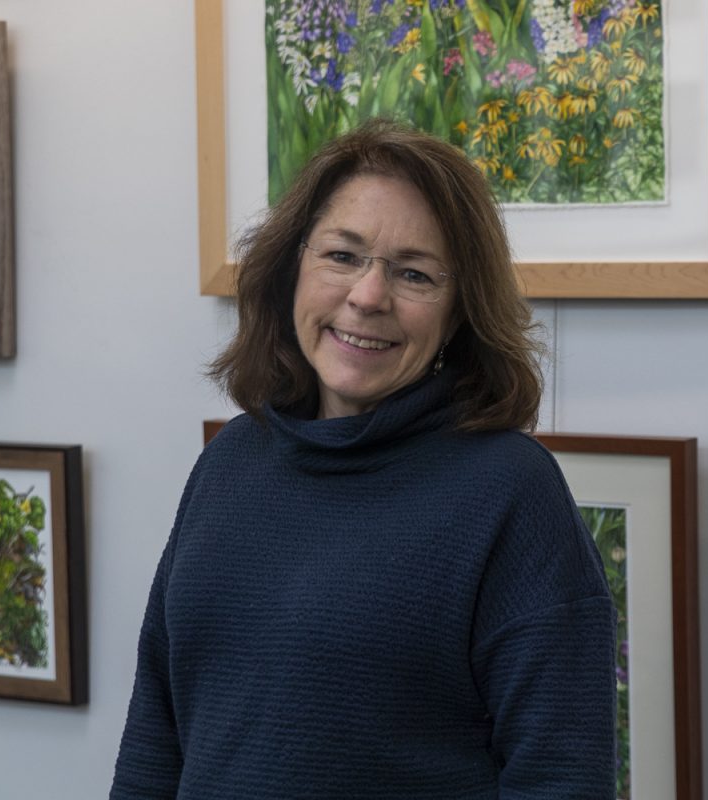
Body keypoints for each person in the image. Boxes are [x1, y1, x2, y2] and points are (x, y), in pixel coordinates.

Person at [111, 120, 616, 798]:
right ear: (292, 266)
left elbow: (560, 775)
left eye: (413, 273)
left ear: (459, 311)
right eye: (343, 256)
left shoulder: (511, 492)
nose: (369, 296)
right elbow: (156, 730)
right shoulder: (231, 461)